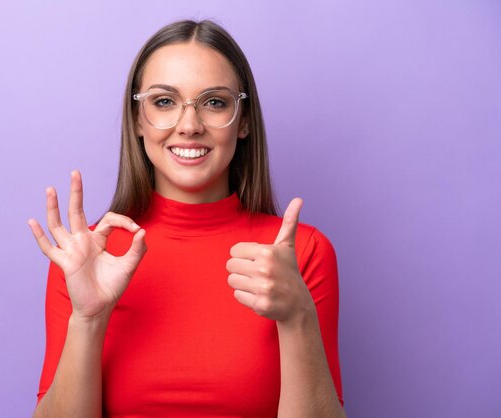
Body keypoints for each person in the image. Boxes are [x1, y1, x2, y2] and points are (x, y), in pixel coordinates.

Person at [28, 19, 345, 417]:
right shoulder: (86, 258)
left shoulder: (302, 253)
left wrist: (298, 316)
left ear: (244, 120)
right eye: (164, 102)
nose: (189, 126)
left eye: (214, 102)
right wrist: (88, 319)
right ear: (138, 120)